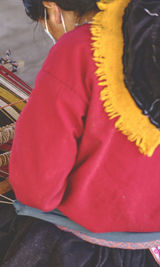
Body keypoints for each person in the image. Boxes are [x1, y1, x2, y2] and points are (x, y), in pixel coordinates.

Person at [8, 0, 160, 266]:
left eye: (47, 26)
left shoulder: (78, 49)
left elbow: (37, 190)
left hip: (94, 252)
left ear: (53, 8)